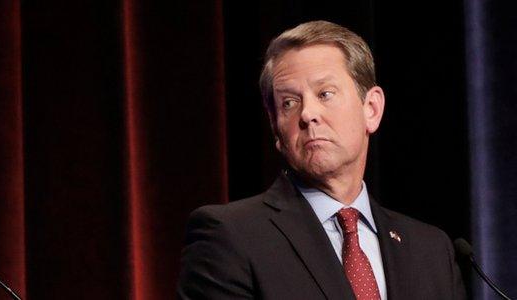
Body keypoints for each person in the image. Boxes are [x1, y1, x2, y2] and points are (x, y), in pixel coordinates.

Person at [178, 21, 465, 299]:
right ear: (275, 126)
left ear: (372, 109)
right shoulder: (230, 236)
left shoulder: (432, 250)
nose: (307, 114)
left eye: (325, 94)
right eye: (289, 102)